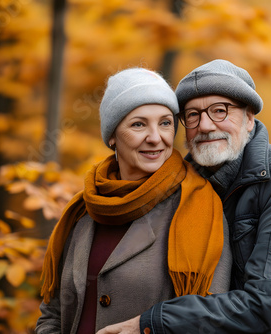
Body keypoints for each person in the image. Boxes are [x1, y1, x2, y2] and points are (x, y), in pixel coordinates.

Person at [98, 59, 271, 334]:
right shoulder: (179, 184)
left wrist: (156, 323)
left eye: (219, 110)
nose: (204, 125)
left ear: (249, 119)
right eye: (192, 115)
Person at [35, 67, 231, 334]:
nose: (155, 137)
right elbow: (53, 314)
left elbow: (209, 318)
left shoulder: (201, 208)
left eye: (164, 123)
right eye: (139, 124)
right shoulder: (85, 208)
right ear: (112, 136)